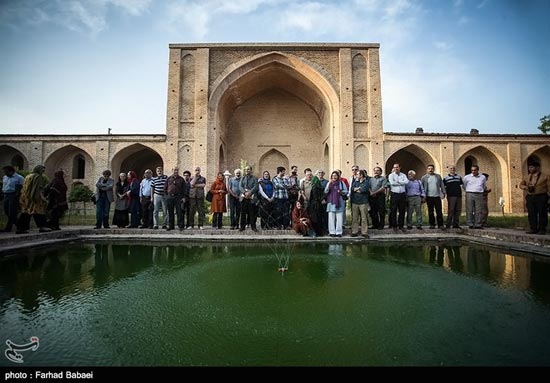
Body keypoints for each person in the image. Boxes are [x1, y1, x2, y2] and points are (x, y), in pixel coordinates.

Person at [16, 165, 50, 233]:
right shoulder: (38, 176)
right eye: (42, 170)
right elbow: (37, 189)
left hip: (25, 197)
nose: (43, 172)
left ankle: (21, 228)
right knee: (38, 212)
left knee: (26, 212)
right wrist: (42, 198)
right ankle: (42, 227)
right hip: (34, 197)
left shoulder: (28, 176)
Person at [519, 160, 550, 234]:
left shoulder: (545, 176)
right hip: (530, 197)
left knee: (542, 213)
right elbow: (521, 185)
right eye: (529, 167)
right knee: (532, 213)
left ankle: (542, 229)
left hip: (541, 196)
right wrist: (526, 187)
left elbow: (549, 187)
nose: (530, 169)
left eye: (532, 167)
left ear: (537, 168)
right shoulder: (527, 176)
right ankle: (533, 228)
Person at [420, 164, 446, 229]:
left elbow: (442, 185)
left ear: (433, 169)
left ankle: (440, 224)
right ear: (427, 170)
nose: (430, 170)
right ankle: (432, 224)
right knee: (430, 211)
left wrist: (444, 192)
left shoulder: (438, 176)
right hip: (429, 197)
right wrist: (423, 196)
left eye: (431, 168)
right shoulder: (424, 178)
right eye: (429, 169)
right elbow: (422, 188)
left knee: (439, 211)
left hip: (437, 196)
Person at [2, 165, 24, 232]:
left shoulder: (19, 178)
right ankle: (10, 227)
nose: (5, 173)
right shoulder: (5, 177)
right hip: (6, 195)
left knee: (12, 212)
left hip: (14, 195)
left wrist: (17, 197)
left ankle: (20, 227)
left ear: (11, 171)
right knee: (7, 212)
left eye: (6, 172)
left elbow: (21, 188)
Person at [325, 171, 347, 237]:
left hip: (339, 203)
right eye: (333, 175)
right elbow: (325, 191)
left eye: (335, 175)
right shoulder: (329, 183)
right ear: (331, 177)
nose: (334, 177)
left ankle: (339, 232)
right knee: (331, 218)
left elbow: (346, 191)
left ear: (338, 176)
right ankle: (332, 232)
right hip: (331, 203)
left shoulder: (341, 183)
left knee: (339, 218)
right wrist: (328, 186)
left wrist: (341, 192)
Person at [388, 163, 408, 231]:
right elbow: (392, 183)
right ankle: (394, 226)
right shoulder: (391, 175)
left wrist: (398, 182)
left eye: (397, 167)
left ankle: (401, 226)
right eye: (394, 167)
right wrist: (401, 182)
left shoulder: (403, 175)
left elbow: (407, 182)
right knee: (393, 211)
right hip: (394, 194)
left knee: (402, 211)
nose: (396, 168)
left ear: (400, 167)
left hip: (402, 194)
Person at [350, 169, 370, 238]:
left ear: (361, 175)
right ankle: (354, 231)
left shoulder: (366, 182)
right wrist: (358, 189)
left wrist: (358, 189)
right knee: (355, 218)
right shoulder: (355, 182)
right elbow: (352, 189)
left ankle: (364, 232)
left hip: (363, 202)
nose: (356, 175)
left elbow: (364, 190)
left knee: (364, 218)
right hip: (355, 202)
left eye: (358, 174)